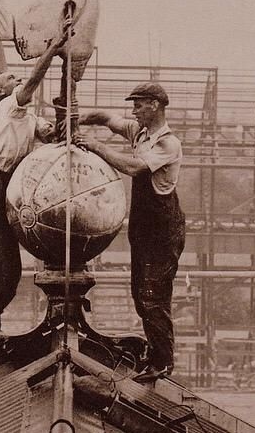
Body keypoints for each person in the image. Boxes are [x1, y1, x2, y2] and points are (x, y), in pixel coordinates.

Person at [0, 20, 72, 348]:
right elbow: (34, 80)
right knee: (1, 265)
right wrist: (53, 49)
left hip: (4, 188)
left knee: (8, 269)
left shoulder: (28, 118)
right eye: (8, 78)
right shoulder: (10, 106)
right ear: (0, 92)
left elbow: (52, 134)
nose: (16, 77)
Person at [74, 82, 185, 382]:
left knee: (152, 297)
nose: (133, 110)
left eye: (138, 104)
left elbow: (134, 168)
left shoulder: (167, 143)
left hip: (162, 231)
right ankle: (155, 352)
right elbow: (106, 118)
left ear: (155, 105)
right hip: (144, 228)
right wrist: (75, 118)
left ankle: (162, 362)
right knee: (140, 295)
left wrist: (94, 146)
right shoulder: (140, 133)